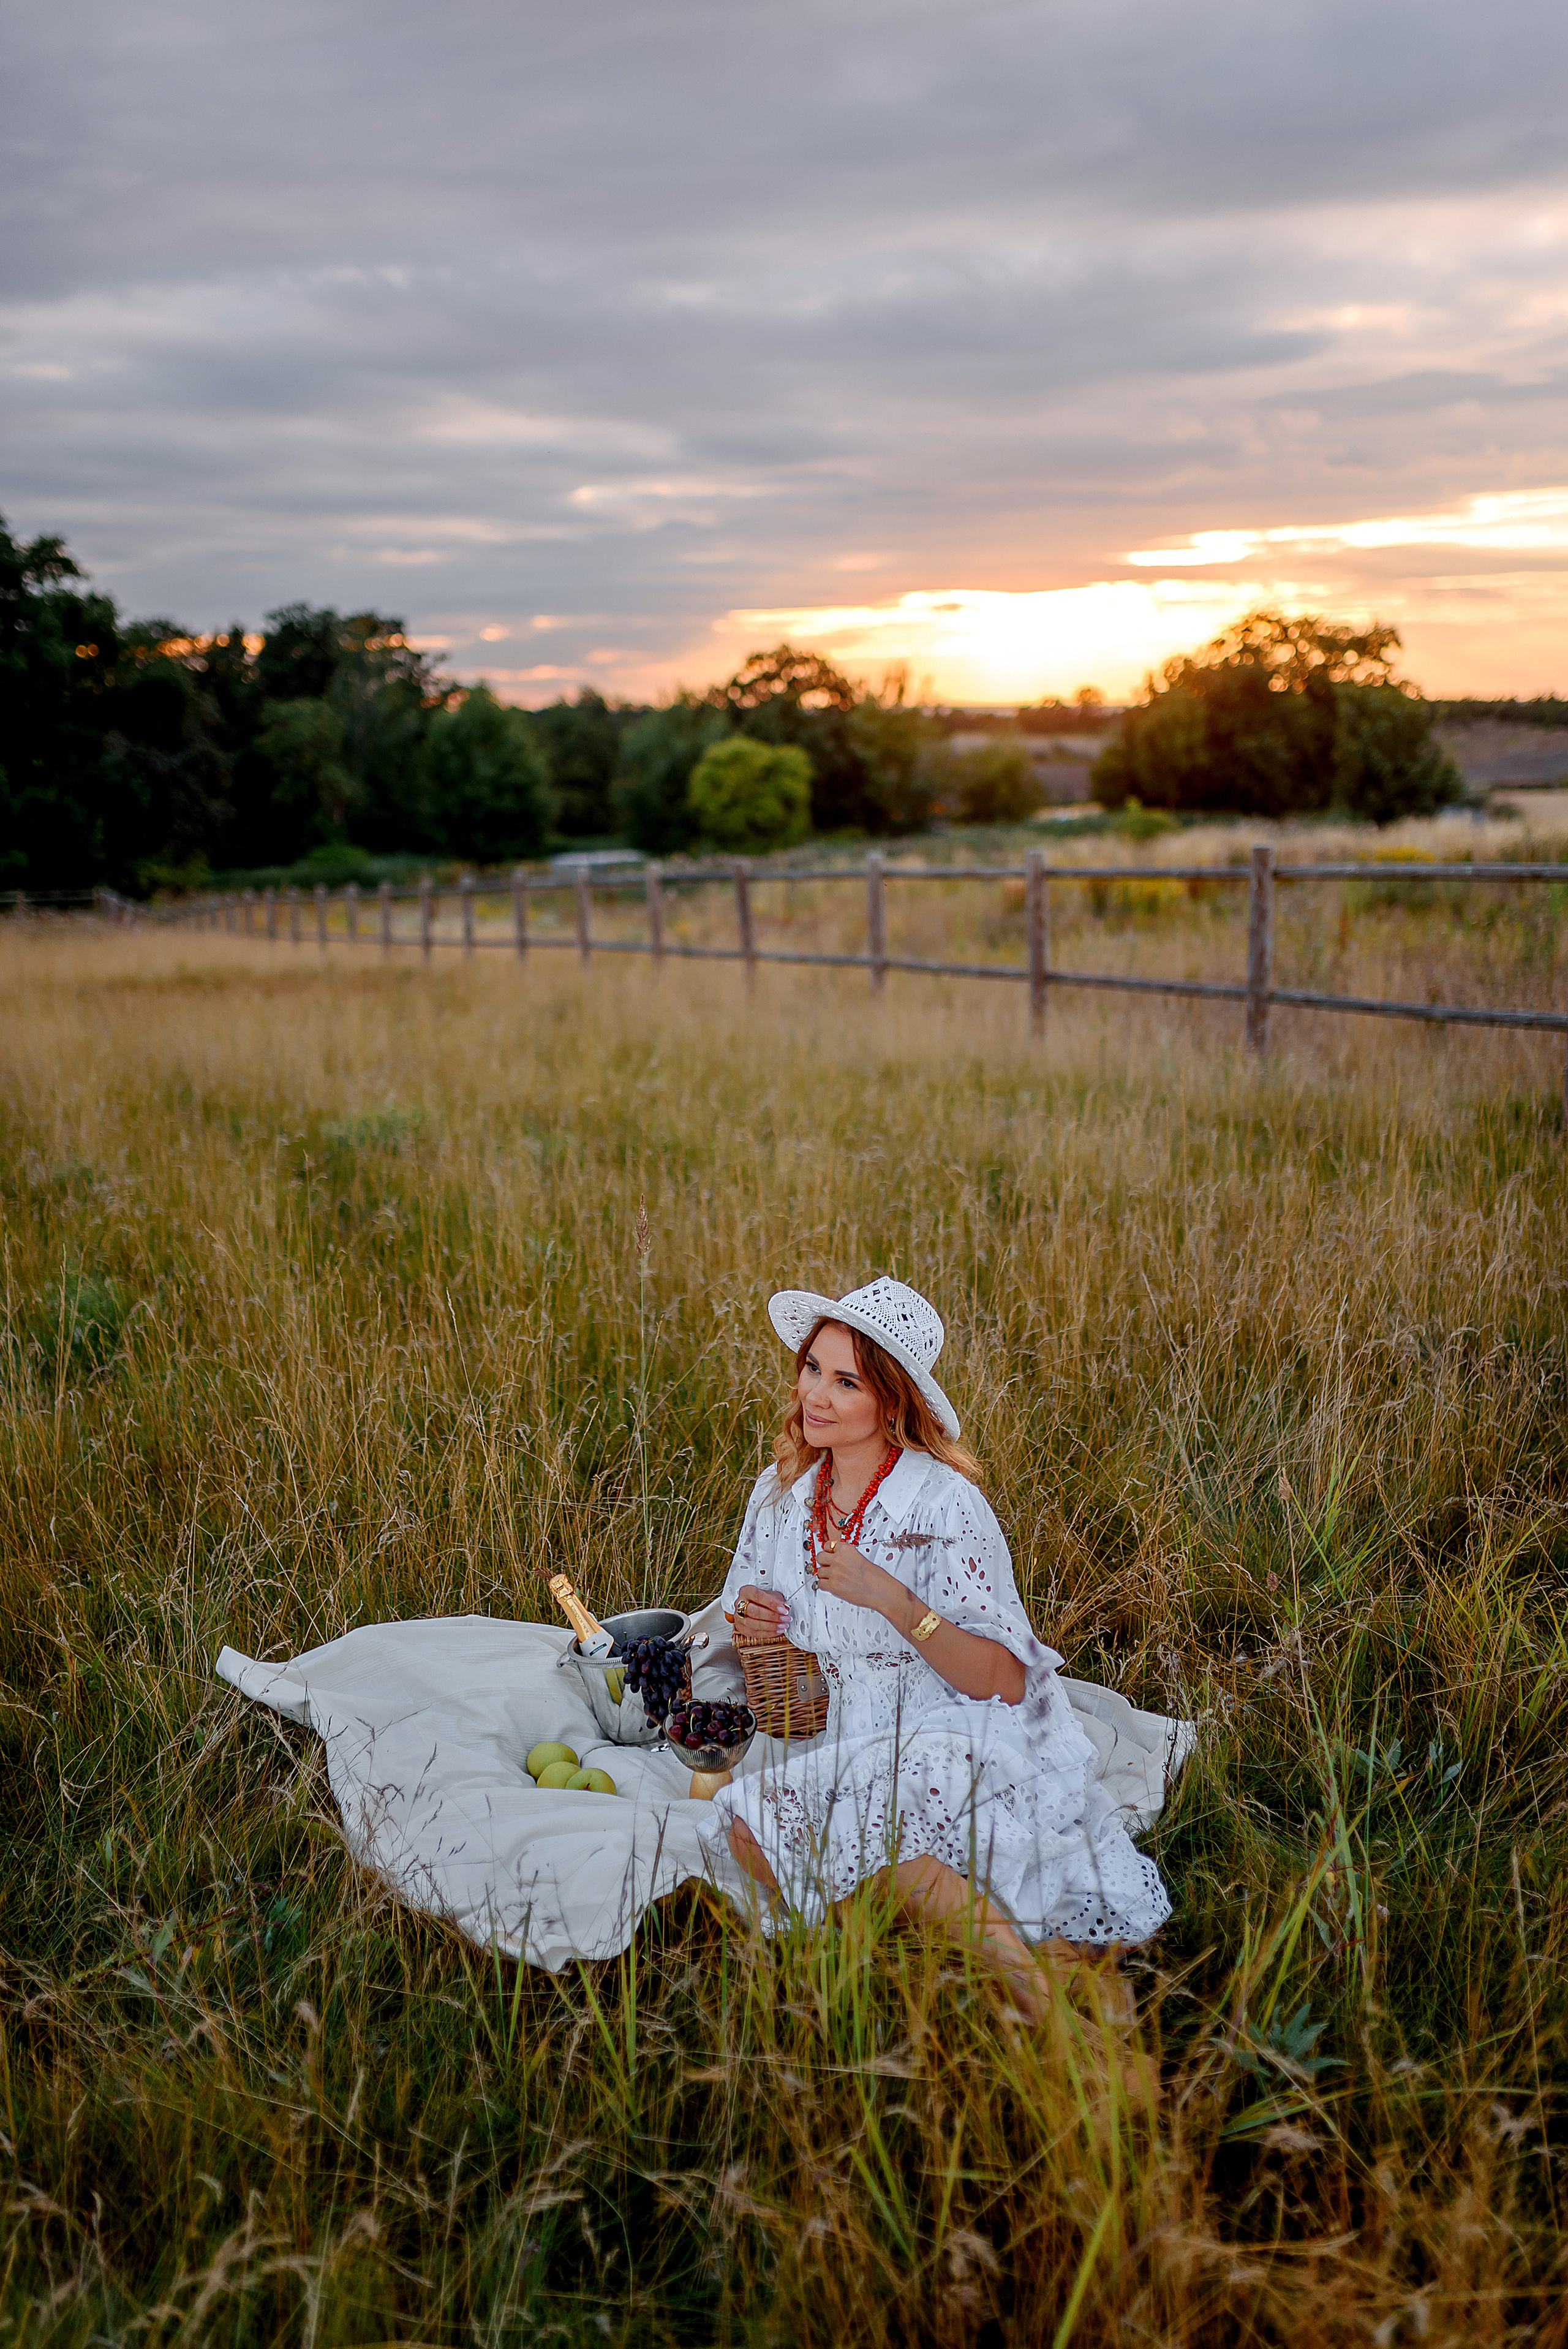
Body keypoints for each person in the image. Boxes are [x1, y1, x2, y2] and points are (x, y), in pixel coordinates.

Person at [699, 1276, 1171, 2019]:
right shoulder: (782, 1490)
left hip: (953, 1721)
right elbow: (747, 1603)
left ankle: (1038, 2001)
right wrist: (756, 1619)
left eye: (846, 1380)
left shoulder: (942, 1504)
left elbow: (1006, 1679)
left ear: (891, 1401)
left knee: (877, 1837)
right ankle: (985, 1958)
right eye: (812, 1366)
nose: (815, 1394)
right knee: (745, 1826)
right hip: (845, 1729)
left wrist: (891, 1597)